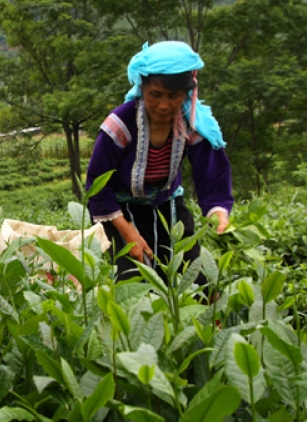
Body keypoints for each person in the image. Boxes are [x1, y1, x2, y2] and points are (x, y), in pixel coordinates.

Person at [85, 41, 233, 284]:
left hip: (168, 204)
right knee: (133, 279)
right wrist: (129, 233)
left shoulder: (192, 123)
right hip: (118, 211)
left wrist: (217, 211)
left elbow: (211, 174)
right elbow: (97, 184)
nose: (164, 105)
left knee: (194, 277)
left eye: (174, 96)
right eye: (156, 95)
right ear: (143, 89)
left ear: (187, 93)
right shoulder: (119, 125)